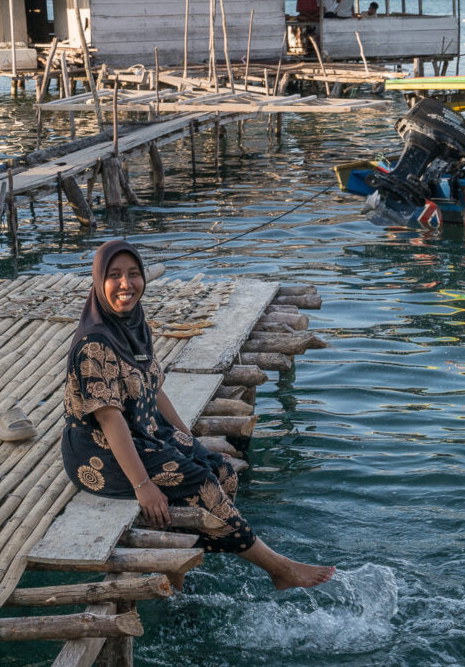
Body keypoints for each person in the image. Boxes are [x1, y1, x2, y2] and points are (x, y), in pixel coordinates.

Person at [61, 239, 336, 590]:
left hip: (142, 431)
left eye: (133, 274)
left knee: (221, 469)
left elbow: (154, 388)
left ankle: (188, 560)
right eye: (114, 276)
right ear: (99, 282)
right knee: (204, 485)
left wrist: (186, 439)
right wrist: (143, 486)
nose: (126, 284)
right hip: (100, 453)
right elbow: (109, 419)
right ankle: (278, 568)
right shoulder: (95, 344)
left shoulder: (133, 324)